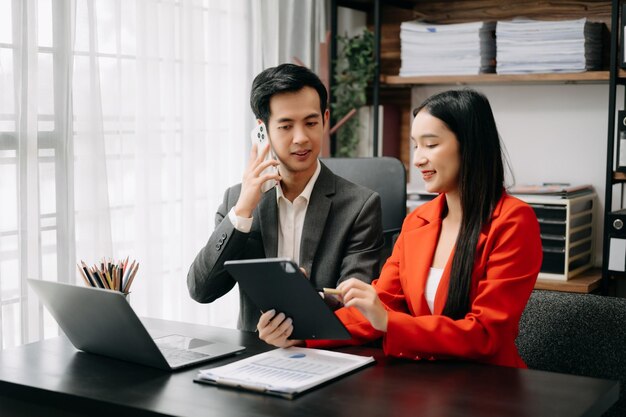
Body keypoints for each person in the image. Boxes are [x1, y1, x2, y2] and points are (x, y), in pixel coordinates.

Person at [258, 89, 543, 369]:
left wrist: (386, 321)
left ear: (470, 145)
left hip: (489, 387)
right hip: (424, 382)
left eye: (430, 145)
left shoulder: (513, 221)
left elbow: (486, 334)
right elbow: (380, 305)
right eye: (415, 145)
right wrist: (303, 336)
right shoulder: (418, 220)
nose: (417, 159)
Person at [187, 63, 383, 332]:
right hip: (255, 352)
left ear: (325, 120)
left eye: (311, 123)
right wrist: (243, 211)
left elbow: (356, 302)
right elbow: (202, 290)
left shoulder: (360, 206)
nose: (301, 138)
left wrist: (301, 299)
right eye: (286, 126)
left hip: (328, 352)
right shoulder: (238, 199)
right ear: (262, 129)